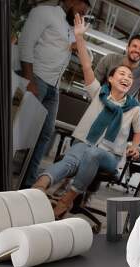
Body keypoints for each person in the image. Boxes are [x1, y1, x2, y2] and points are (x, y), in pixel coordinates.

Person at [32, 14, 140, 219]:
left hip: (111, 156)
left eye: (129, 77)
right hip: (85, 142)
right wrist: (79, 37)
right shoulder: (98, 93)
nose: (126, 77)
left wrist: (134, 146)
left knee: (92, 154)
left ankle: (68, 198)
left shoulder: (133, 108)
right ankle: (40, 186)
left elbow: (138, 132)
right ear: (110, 79)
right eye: (121, 74)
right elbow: (85, 65)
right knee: (71, 160)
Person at [19, 0, 91, 188]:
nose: (80, 16)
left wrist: (79, 41)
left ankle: (28, 183)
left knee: (45, 134)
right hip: (37, 79)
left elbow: (88, 58)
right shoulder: (44, 12)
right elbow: (25, 43)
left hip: (54, 88)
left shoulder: (70, 30)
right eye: (79, 11)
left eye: (83, 14)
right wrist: (29, 79)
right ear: (69, 2)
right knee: (20, 129)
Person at [94, 34, 140, 114]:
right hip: (99, 105)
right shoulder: (110, 59)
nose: (137, 50)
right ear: (127, 48)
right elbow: (95, 82)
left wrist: (129, 116)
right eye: (134, 46)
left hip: (121, 113)